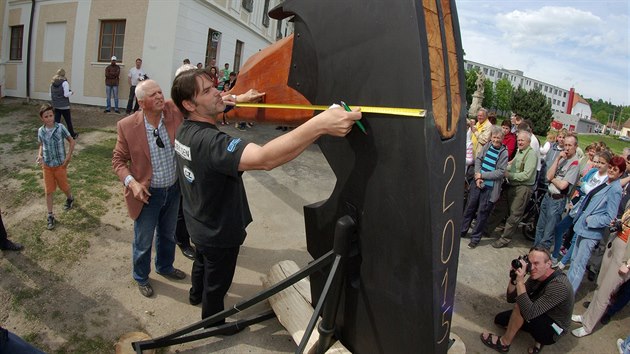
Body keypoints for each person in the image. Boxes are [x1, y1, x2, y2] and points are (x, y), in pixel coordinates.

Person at [170, 68, 360, 322]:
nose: (218, 92)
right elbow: (265, 158)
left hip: (198, 220)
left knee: (202, 262)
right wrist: (319, 124)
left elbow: (223, 102)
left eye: (214, 85)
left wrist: (241, 98)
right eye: (207, 90)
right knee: (218, 280)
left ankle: (195, 294)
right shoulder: (209, 142)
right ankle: (212, 321)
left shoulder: (186, 128)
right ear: (189, 104)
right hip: (219, 230)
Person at [112, 79, 188, 297]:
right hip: (147, 195)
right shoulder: (127, 126)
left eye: (160, 92)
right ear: (141, 102)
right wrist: (132, 183)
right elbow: (117, 161)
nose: (159, 97)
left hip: (173, 189)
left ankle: (165, 267)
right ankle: (141, 276)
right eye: (153, 94)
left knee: (167, 234)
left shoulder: (172, 111)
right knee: (143, 241)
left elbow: (196, 99)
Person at [480, 246, 574, 354]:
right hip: (538, 311)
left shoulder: (559, 285)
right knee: (500, 320)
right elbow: (511, 298)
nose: (532, 268)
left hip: (555, 328)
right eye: (530, 263)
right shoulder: (537, 274)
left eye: (537, 263)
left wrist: (520, 282)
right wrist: (514, 279)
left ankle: (504, 343)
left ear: (548, 264)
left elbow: (527, 312)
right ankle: (527, 330)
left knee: (520, 307)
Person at [571, 201, 630, 337]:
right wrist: (618, 223)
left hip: (624, 256)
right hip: (615, 243)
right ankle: (586, 317)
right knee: (599, 287)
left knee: (605, 292)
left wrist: (627, 264)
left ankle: (588, 326)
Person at [567, 156, 625, 294]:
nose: (611, 170)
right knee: (574, 261)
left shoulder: (615, 190)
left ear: (621, 173)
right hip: (582, 227)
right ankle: (565, 290)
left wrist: (591, 220)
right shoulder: (606, 181)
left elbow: (610, 217)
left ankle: (568, 296)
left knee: (579, 265)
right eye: (610, 167)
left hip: (591, 231)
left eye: (615, 169)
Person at [554, 151, 612, 268]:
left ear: (608, 165)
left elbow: (594, 194)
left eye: (602, 163)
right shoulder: (593, 172)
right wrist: (585, 189)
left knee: (576, 238)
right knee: (559, 228)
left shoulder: (607, 180)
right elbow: (581, 185)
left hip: (588, 211)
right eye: (597, 162)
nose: (598, 165)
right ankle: (554, 256)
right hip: (578, 206)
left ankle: (563, 262)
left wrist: (586, 188)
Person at [460, 125, 508, 248]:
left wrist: (482, 175)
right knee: (470, 207)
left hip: (489, 187)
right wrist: (477, 177)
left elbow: (500, 172)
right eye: (494, 137)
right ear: (491, 137)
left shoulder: (504, 153)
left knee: (482, 213)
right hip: (477, 182)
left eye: (498, 138)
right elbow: (478, 159)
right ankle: (462, 230)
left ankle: (475, 238)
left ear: (502, 139)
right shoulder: (487, 145)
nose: (496, 140)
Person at [489, 130, 538, 248]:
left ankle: (505, 239)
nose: (519, 142)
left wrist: (509, 175)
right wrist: (502, 167)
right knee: (500, 208)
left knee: (514, 215)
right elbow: (512, 165)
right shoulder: (520, 151)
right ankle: (486, 229)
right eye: (519, 140)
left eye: (522, 140)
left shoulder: (531, 155)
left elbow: (527, 175)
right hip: (513, 184)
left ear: (529, 142)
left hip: (523, 188)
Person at [533, 135, 580, 250]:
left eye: (570, 145)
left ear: (575, 147)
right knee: (539, 227)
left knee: (548, 232)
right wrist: (558, 159)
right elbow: (547, 176)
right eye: (565, 145)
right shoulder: (562, 158)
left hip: (557, 199)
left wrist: (552, 178)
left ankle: (542, 254)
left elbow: (563, 185)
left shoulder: (575, 164)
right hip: (548, 195)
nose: (567, 148)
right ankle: (535, 250)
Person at [36, 104, 75, 230]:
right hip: (47, 166)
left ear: (54, 115)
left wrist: (68, 157)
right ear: (42, 118)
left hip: (60, 166)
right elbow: (41, 144)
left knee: (64, 186)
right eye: (46, 116)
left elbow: (71, 141)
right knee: (48, 191)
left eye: (50, 115)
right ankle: (50, 215)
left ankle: (70, 198)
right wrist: (39, 155)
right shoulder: (41, 131)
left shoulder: (60, 128)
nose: (49, 118)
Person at [50, 68, 78, 139]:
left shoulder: (52, 83)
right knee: (68, 121)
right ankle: (72, 134)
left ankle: (54, 135)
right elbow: (66, 94)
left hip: (56, 105)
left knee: (56, 122)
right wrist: (71, 93)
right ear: (64, 74)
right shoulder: (65, 83)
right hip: (64, 105)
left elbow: (50, 94)